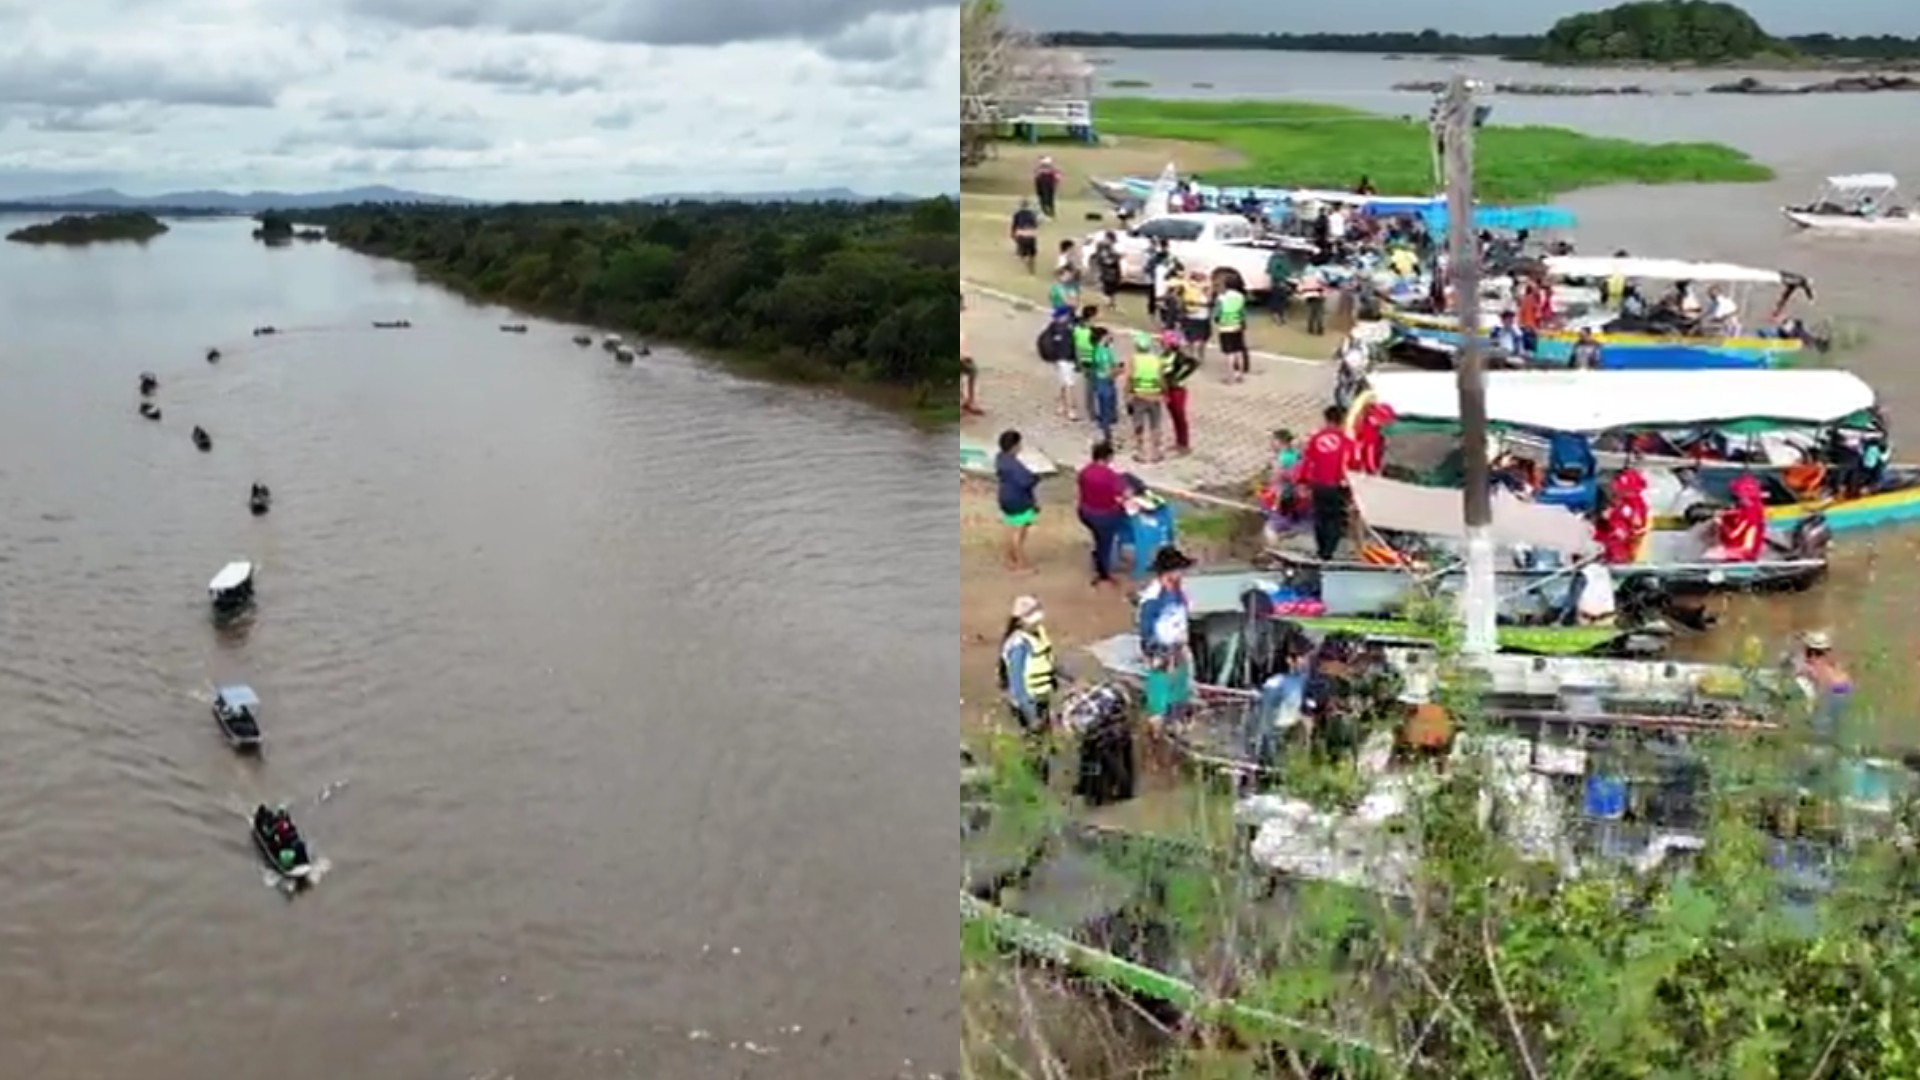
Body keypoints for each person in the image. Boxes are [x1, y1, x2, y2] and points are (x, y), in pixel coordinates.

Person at [1000, 596, 1066, 783]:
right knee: (1033, 743)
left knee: (1043, 739)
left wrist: (1072, 679)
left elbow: (1049, 661)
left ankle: (1041, 772)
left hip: (1042, 696)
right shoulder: (1018, 646)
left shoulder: (1039, 633)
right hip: (1027, 702)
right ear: (1020, 621)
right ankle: (1034, 782)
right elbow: (1017, 685)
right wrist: (1030, 715)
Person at [1136, 547, 1196, 728]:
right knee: (1159, 681)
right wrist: (1152, 650)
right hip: (1160, 645)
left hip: (1177, 643)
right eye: (1178, 570)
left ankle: (1178, 715)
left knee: (1180, 679)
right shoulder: (1153, 597)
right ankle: (1156, 718)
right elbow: (1146, 628)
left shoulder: (1178, 591)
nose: (1181, 574)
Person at [1301, 406, 1355, 561]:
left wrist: (1303, 482)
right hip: (1337, 484)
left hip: (1318, 483)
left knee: (1320, 517)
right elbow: (1351, 464)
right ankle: (1328, 553)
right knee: (1335, 519)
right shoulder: (1347, 441)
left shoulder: (1316, 438)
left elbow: (1307, 461)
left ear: (1326, 419)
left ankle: (1321, 550)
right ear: (1343, 420)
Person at [1077, 441, 1129, 586]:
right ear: (1108, 457)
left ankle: (1098, 555)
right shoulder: (1110, 476)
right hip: (1104, 517)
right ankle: (1104, 573)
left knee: (1098, 538)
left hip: (1085, 513)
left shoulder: (1084, 472)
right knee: (1105, 545)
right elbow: (1124, 494)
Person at [1791, 629, 1852, 745]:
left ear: (1810, 652)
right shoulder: (1837, 668)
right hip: (1844, 689)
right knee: (1835, 727)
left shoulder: (1808, 668)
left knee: (1818, 730)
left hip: (1828, 695)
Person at [995, 430, 1041, 573]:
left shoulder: (1000, 458)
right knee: (1019, 532)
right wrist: (1036, 478)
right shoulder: (1014, 464)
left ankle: (1010, 559)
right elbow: (1026, 481)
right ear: (1014, 446)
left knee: (1013, 528)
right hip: (1018, 500)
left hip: (1005, 497)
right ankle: (1020, 565)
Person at [1123, 330, 1167, 464]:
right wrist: (1163, 393)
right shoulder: (1157, 359)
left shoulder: (1133, 359)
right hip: (1154, 395)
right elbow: (1161, 379)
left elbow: (1130, 379)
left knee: (1139, 424)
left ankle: (1140, 452)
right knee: (1155, 425)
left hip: (1139, 395)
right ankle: (1156, 453)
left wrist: (1127, 394)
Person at [1703, 473, 1766, 562]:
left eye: (1737, 497)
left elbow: (1733, 535)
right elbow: (1736, 514)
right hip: (1746, 551)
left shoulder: (1749, 514)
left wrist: (1720, 523)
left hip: (1742, 553)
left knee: (1708, 555)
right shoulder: (1756, 509)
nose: (1736, 500)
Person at [1161, 332, 1200, 457]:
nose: (1162, 343)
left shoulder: (1179, 356)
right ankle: (1178, 442)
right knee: (1173, 415)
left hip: (1177, 390)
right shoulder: (1164, 355)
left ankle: (1184, 444)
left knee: (1180, 416)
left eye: (1165, 341)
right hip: (1167, 389)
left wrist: (1179, 377)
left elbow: (1194, 364)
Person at [1086, 326, 1121, 445]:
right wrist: (1120, 371)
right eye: (1108, 335)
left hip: (1099, 382)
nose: (1111, 337)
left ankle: (1106, 434)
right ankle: (1107, 437)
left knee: (1104, 409)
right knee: (1106, 411)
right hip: (1105, 383)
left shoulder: (1098, 349)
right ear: (1103, 337)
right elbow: (1108, 372)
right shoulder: (1103, 352)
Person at [1214, 273, 1250, 383]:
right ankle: (1239, 375)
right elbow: (1242, 312)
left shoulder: (1221, 297)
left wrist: (1217, 319)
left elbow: (1218, 312)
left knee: (1229, 353)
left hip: (1225, 326)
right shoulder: (1240, 296)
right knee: (1238, 350)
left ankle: (1230, 377)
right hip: (1237, 325)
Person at [1347, 401, 1393, 476]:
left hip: (1351, 463)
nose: (1386, 425)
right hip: (1359, 468)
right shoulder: (1371, 433)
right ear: (1381, 419)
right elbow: (1369, 454)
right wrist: (1374, 471)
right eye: (1386, 422)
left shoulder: (1363, 422)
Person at [1179, 272, 1213, 361]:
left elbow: (1182, 302)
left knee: (1190, 338)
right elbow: (1210, 303)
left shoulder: (1188, 288)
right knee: (1202, 338)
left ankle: (1191, 355)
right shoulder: (1206, 291)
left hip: (1190, 316)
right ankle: (1200, 356)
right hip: (1203, 318)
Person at [1092, 233, 1123, 312]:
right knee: (1108, 287)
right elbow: (1107, 260)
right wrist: (1116, 258)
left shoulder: (1108, 247)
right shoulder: (1103, 247)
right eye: (1112, 241)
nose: (1113, 243)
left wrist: (1117, 256)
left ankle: (1112, 304)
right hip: (1108, 271)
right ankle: (1108, 305)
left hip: (1112, 270)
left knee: (1113, 287)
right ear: (1107, 239)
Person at [1009, 200, 1039, 274]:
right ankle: (1032, 268)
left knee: (1022, 252)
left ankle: (1025, 260)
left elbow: (1014, 225)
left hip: (1021, 234)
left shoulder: (1017, 214)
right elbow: (1035, 224)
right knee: (1032, 254)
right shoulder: (1032, 214)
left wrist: (1012, 233)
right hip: (1031, 234)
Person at [1298, 267, 1328, 336]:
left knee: (1311, 313)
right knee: (1319, 313)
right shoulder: (1320, 276)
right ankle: (1319, 330)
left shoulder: (1305, 277)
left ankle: (1310, 329)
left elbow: (1300, 289)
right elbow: (1325, 287)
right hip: (1319, 296)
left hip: (1310, 297)